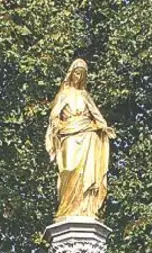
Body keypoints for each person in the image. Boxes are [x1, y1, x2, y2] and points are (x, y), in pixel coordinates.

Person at [44, 58, 114, 220]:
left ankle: (85, 208)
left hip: (88, 135)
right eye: (77, 73)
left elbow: (96, 115)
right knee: (69, 169)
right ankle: (67, 208)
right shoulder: (63, 95)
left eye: (82, 74)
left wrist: (104, 127)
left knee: (87, 172)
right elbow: (54, 117)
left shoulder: (85, 95)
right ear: (71, 74)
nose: (78, 77)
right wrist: (58, 126)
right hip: (69, 135)